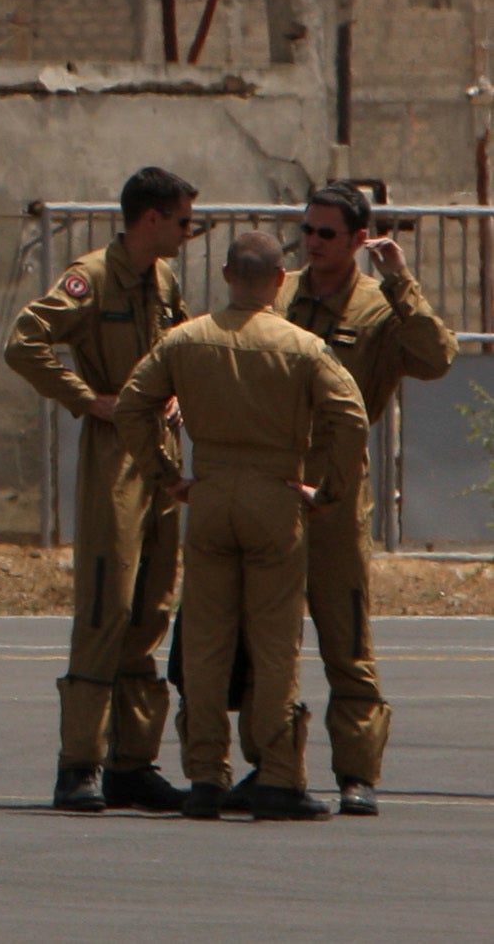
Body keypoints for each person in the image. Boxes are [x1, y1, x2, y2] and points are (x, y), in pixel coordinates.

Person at [114, 229, 368, 820]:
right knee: (275, 642)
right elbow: (351, 417)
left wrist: (165, 474)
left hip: (210, 491)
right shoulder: (302, 347)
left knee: (206, 640)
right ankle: (278, 773)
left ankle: (205, 775)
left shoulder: (186, 339)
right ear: (281, 280)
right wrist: (329, 489)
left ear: (227, 277)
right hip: (277, 492)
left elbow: (132, 404)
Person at [259, 183, 457, 815]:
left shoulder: (378, 307)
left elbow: (435, 358)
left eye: (326, 234)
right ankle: (273, 766)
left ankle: (356, 771)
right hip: (270, 475)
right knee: (268, 635)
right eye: (306, 232)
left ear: (357, 240)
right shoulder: (278, 292)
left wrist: (401, 282)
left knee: (345, 634)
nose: (312, 245)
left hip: (337, 484)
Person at [4, 165, 195, 812]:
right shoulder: (92, 277)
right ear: (151, 220)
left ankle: (132, 762)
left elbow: (182, 345)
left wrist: (178, 394)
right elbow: (26, 342)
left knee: (150, 608)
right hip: (115, 454)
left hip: (162, 455)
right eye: (182, 221)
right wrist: (89, 401)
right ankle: (79, 762)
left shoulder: (163, 279)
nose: (187, 233)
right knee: (105, 603)